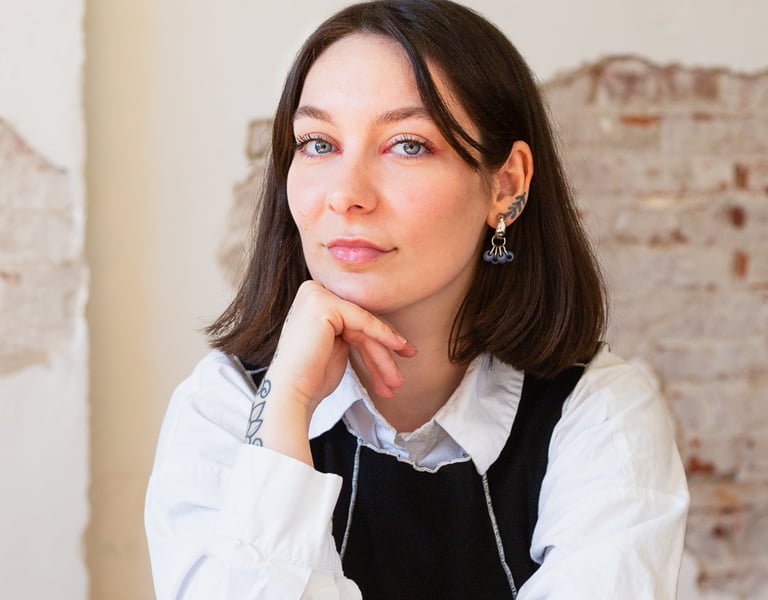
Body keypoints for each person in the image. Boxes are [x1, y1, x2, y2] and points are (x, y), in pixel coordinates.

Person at [145, 1, 689, 598]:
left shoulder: (600, 413)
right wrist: (285, 409)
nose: (346, 195)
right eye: (318, 143)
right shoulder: (222, 404)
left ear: (505, 186)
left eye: (407, 145)